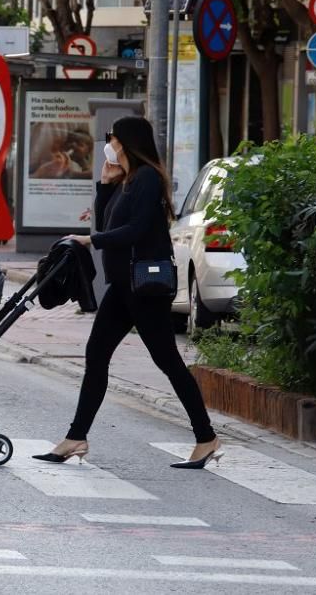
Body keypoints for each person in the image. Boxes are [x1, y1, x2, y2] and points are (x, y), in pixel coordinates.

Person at [35, 116, 222, 469]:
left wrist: (91, 240)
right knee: (97, 354)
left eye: (113, 137)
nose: (109, 143)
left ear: (127, 141)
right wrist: (106, 186)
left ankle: (206, 437)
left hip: (144, 288)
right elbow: (108, 224)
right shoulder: (128, 180)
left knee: (167, 361)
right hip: (123, 286)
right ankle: (76, 437)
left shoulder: (148, 178)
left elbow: (134, 230)